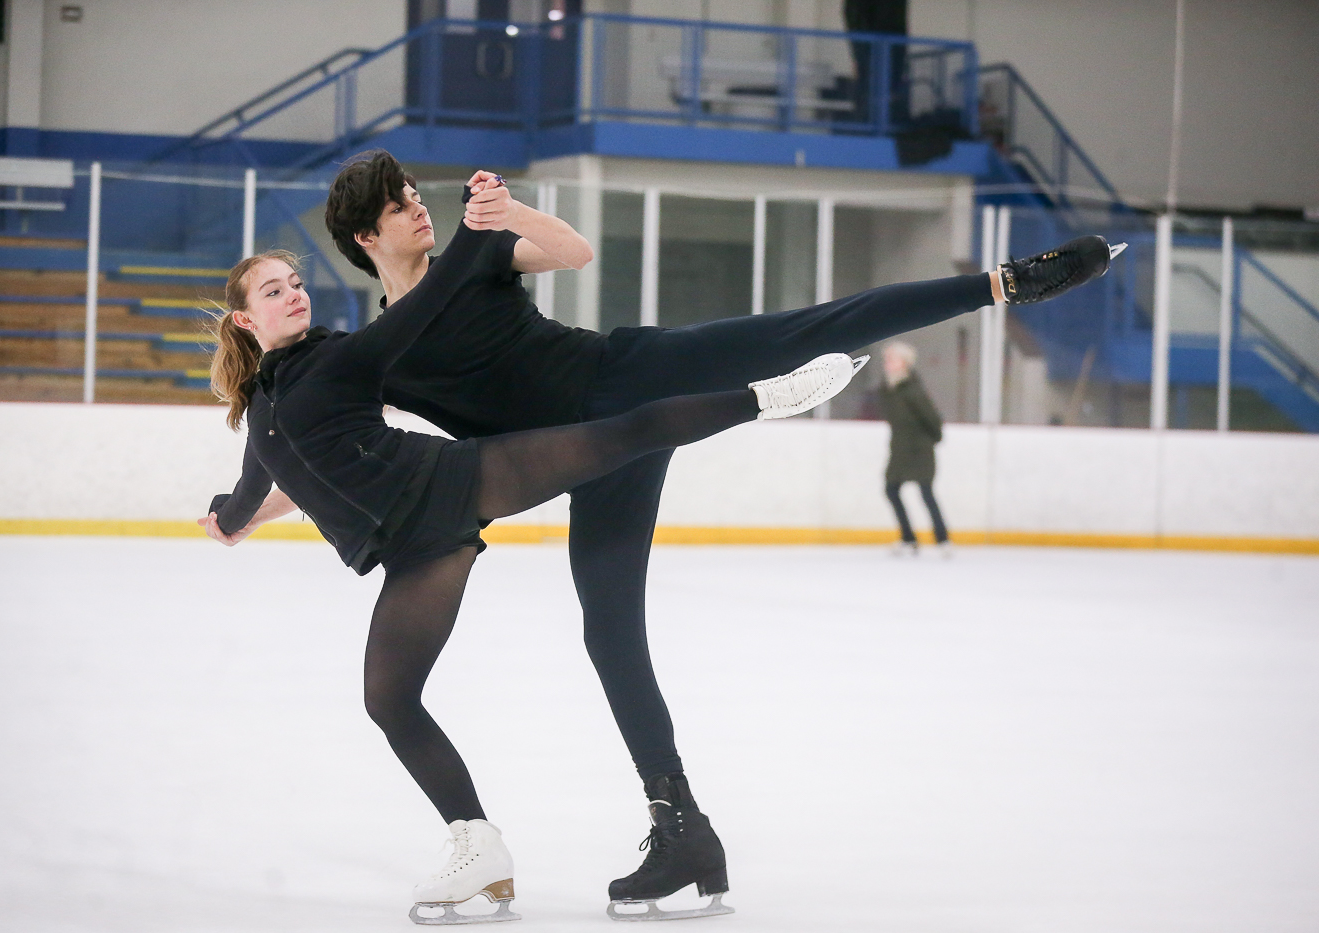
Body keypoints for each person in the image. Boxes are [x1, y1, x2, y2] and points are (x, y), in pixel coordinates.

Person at [286, 150, 1116, 921]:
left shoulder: (476, 256)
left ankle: (1004, 283)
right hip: (594, 459)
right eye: (398, 206)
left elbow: (573, 251)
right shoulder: (378, 353)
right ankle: (683, 828)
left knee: (802, 329)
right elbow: (318, 445)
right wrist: (247, 509)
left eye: (414, 194)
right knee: (609, 634)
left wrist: (511, 214)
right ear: (365, 238)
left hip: (628, 376)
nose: (418, 208)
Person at [197, 226, 860, 923]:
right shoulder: (263, 407)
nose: (294, 295)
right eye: (274, 290)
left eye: (296, 283)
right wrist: (232, 519)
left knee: (616, 436)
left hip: (455, 483)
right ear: (245, 319)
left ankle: (768, 397)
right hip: (415, 552)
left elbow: (433, 295)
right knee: (388, 699)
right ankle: (478, 847)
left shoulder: (344, 357)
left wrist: (473, 229)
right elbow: (255, 484)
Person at [879, 340, 950, 556]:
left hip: (919, 450)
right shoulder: (888, 389)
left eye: (892, 359)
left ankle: (943, 540)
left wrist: (932, 439)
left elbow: (932, 419)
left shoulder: (912, 390)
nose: (887, 363)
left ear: (904, 363)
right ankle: (908, 538)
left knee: (926, 493)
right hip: (900, 450)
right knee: (891, 490)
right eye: (886, 359)